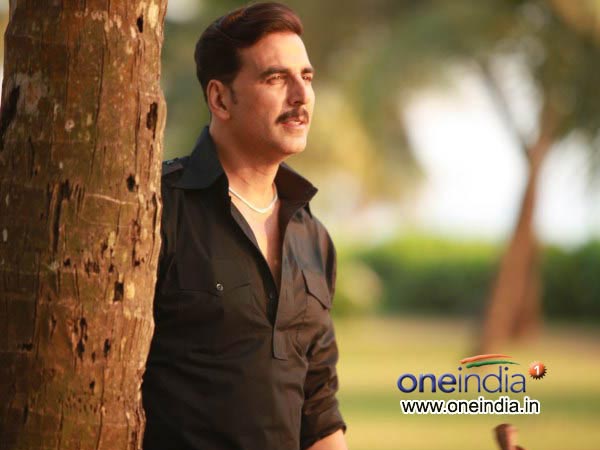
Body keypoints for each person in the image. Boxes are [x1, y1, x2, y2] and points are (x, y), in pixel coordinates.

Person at [142, 3, 347, 449]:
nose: (301, 95)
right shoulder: (156, 211)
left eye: (306, 76)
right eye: (275, 78)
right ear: (220, 99)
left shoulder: (312, 237)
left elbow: (318, 407)